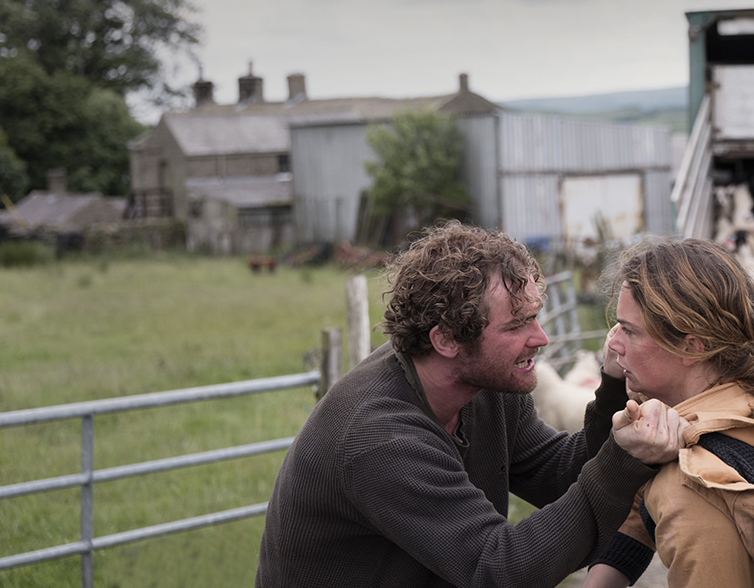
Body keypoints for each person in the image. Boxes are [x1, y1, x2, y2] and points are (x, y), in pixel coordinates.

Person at [256, 221, 688, 588]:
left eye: (535, 316)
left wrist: (614, 386)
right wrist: (623, 459)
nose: (541, 338)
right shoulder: (380, 439)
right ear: (445, 338)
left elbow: (559, 475)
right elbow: (497, 570)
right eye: (518, 324)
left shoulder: (484, 388)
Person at [583, 237, 754, 588]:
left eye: (629, 330)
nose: (613, 344)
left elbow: (685, 498)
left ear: (692, 346)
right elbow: (640, 511)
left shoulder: (692, 484)